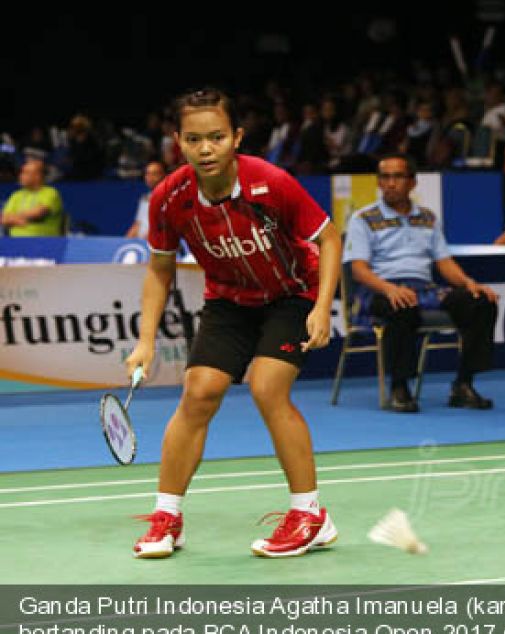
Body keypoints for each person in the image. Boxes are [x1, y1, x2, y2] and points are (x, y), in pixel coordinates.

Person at [125, 88, 342, 559]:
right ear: (178, 141)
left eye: (217, 137)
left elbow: (329, 238)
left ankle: (310, 515)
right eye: (195, 139)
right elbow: (160, 269)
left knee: (267, 387)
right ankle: (168, 517)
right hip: (229, 300)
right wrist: (144, 343)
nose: (206, 149)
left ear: (236, 137)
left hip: (290, 294)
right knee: (199, 391)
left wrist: (322, 306)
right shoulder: (169, 198)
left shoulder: (271, 182)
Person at [343, 153, 498, 413]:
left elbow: (444, 263)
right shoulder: (363, 218)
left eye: (398, 177)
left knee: (480, 302)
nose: (391, 183)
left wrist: (470, 283)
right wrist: (390, 289)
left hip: (425, 289)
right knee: (402, 304)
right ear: (379, 183)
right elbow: (359, 270)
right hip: (381, 289)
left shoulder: (427, 217)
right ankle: (400, 386)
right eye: (385, 177)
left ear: (412, 183)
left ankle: (463, 384)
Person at [1, 158, 65, 237]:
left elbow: (38, 213)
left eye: (26, 173)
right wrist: (20, 219)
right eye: (21, 172)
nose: (21, 176)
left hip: (44, 243)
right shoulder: (16, 195)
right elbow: (3, 219)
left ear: (37, 176)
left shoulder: (50, 193)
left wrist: (14, 218)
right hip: (16, 244)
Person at [125, 160, 168, 239]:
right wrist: (124, 242)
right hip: (141, 245)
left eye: (154, 174)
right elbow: (138, 224)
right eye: (147, 174)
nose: (150, 177)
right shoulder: (144, 199)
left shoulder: (170, 198)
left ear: (164, 176)